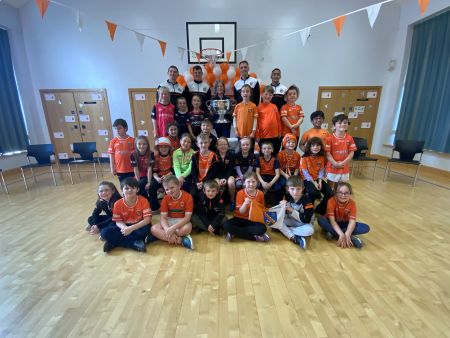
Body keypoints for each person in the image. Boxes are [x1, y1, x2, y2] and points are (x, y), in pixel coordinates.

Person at [101, 177, 152, 253]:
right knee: (104, 233)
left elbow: (147, 220)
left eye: (133, 188)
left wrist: (131, 228)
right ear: (122, 191)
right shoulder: (117, 204)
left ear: (137, 190)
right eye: (127, 188)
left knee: (145, 231)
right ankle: (133, 244)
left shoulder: (143, 201)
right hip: (125, 226)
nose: (130, 190)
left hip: (139, 226)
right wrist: (124, 228)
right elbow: (118, 221)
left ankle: (114, 242)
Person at [318, 182, 370, 248]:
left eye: (346, 193)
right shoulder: (331, 201)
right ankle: (349, 236)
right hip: (331, 223)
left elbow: (352, 221)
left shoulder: (352, 204)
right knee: (320, 220)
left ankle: (333, 233)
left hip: (345, 224)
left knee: (366, 227)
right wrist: (341, 234)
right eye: (340, 192)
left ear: (350, 194)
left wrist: (347, 234)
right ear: (335, 193)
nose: (343, 195)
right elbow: (332, 221)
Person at [150, 175, 194, 250]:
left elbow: (187, 218)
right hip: (169, 220)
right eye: (167, 189)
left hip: (182, 221)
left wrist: (172, 229)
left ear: (179, 185)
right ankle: (181, 240)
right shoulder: (165, 199)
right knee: (153, 229)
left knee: (188, 228)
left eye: (172, 188)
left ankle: (162, 236)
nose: (169, 191)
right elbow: (163, 218)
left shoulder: (188, 197)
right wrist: (167, 229)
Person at [223, 172, 270, 242]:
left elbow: (262, 209)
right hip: (239, 218)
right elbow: (241, 212)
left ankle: (235, 232)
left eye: (253, 182)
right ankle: (254, 237)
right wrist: (245, 203)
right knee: (226, 225)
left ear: (257, 183)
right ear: (244, 182)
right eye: (248, 182)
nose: (251, 184)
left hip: (253, 220)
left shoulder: (260, 194)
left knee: (262, 228)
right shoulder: (240, 193)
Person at [279, 176, 314, 249]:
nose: (295, 192)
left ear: (302, 189)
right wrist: (281, 207)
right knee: (275, 220)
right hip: (290, 220)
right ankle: (295, 236)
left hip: (302, 223)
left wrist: (291, 210)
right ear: (287, 189)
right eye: (292, 189)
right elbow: (281, 214)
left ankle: (289, 233)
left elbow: (306, 220)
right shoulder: (286, 197)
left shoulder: (307, 201)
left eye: (298, 189)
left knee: (310, 230)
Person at [301, 137, 333, 215]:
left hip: (318, 179)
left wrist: (320, 182)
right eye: (313, 145)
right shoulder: (304, 157)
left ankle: (319, 210)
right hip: (307, 179)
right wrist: (314, 183)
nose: (315, 147)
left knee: (330, 194)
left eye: (318, 145)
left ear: (320, 147)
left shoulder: (321, 157)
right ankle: (309, 211)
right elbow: (305, 173)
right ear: (309, 147)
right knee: (312, 193)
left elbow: (321, 171)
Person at [325, 114, 356, 191]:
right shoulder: (329, 139)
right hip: (332, 167)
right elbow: (327, 154)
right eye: (339, 123)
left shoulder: (350, 138)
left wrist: (343, 163)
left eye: (345, 122)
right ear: (334, 126)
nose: (343, 124)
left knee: (340, 188)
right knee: (330, 188)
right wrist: (335, 163)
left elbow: (351, 153)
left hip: (344, 167)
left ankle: (338, 201)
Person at [190, 133, 219, 198]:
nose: (203, 145)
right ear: (197, 144)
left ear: (209, 143)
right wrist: (197, 182)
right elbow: (193, 171)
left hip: (209, 180)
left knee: (203, 195)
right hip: (197, 181)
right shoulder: (194, 155)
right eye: (201, 143)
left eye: (206, 142)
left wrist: (203, 182)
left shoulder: (214, 156)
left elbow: (213, 173)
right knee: (193, 194)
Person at [149, 137, 173, 213]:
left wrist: (167, 176)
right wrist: (157, 178)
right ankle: (155, 207)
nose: (163, 148)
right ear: (158, 148)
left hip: (170, 176)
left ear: (169, 148)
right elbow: (154, 171)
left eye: (165, 146)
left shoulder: (172, 157)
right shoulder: (156, 157)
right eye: (161, 146)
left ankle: (169, 207)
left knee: (170, 187)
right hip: (159, 177)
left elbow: (174, 170)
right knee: (152, 186)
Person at [256, 85, 282, 156]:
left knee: (274, 153)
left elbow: (278, 120)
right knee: (263, 154)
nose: (268, 96)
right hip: (263, 136)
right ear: (262, 94)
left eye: (270, 95)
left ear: (272, 96)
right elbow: (256, 122)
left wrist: (279, 132)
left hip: (274, 135)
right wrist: (257, 135)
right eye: (266, 94)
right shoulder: (258, 108)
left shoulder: (274, 106)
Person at [108, 118, 135, 183]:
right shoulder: (113, 141)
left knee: (132, 184)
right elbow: (111, 155)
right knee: (123, 185)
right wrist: (112, 168)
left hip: (131, 169)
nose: (117, 131)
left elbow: (136, 155)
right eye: (115, 129)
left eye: (119, 128)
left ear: (126, 129)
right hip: (120, 170)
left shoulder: (133, 140)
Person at [216, 137, 236, 211]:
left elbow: (231, 168)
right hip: (218, 175)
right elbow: (216, 169)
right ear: (217, 146)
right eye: (220, 144)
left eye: (225, 144)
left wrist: (226, 178)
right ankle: (218, 202)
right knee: (217, 183)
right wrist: (221, 178)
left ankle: (232, 201)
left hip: (230, 174)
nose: (223, 146)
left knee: (230, 182)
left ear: (228, 146)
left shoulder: (231, 154)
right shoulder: (214, 155)